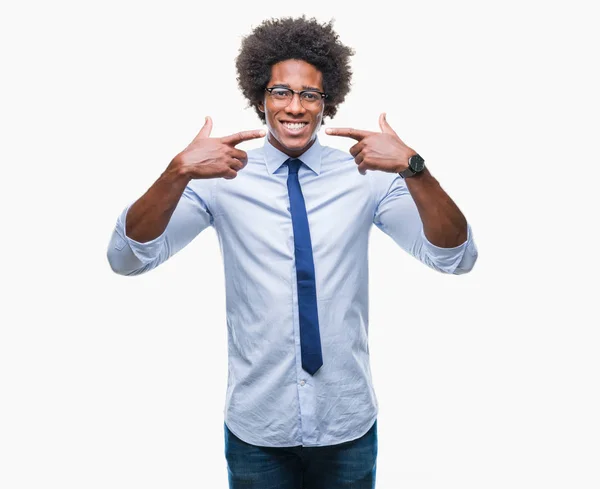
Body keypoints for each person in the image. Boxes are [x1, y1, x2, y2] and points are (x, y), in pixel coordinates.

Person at [107, 15, 478, 489]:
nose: (295, 107)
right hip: (257, 426)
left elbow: (455, 256)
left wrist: (413, 168)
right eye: (281, 92)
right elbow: (127, 259)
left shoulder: (366, 176)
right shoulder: (222, 177)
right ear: (260, 97)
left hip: (347, 420)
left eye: (310, 95)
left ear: (328, 103)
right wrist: (175, 172)